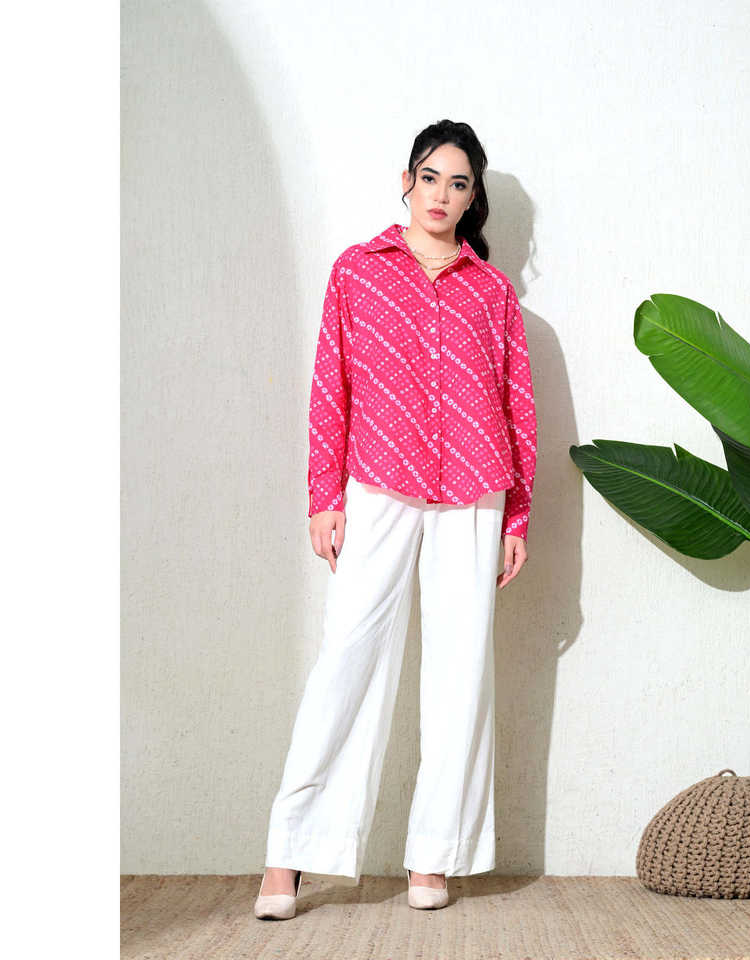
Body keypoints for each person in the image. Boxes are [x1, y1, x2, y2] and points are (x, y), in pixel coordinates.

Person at [254, 119, 538, 919]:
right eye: (431, 177)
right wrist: (324, 495)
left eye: (459, 183)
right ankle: (290, 855)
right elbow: (330, 385)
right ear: (406, 181)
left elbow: (518, 403)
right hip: (377, 484)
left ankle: (434, 856)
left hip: (474, 491)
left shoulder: (492, 292)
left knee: (460, 671)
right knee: (348, 657)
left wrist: (517, 516)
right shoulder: (357, 271)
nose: (442, 194)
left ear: (473, 198)